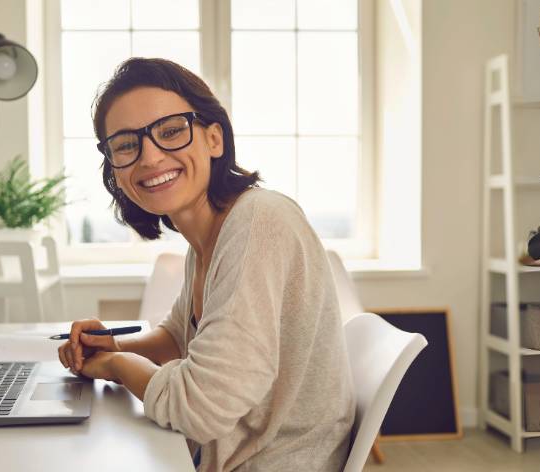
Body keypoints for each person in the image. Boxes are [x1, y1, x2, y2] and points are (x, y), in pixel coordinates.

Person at [57, 57, 355, 471]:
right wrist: (114, 345)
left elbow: (201, 407)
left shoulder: (258, 222)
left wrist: (117, 365)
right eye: (126, 144)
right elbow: (181, 339)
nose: (149, 156)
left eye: (171, 131)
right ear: (114, 167)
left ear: (214, 138)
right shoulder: (205, 240)